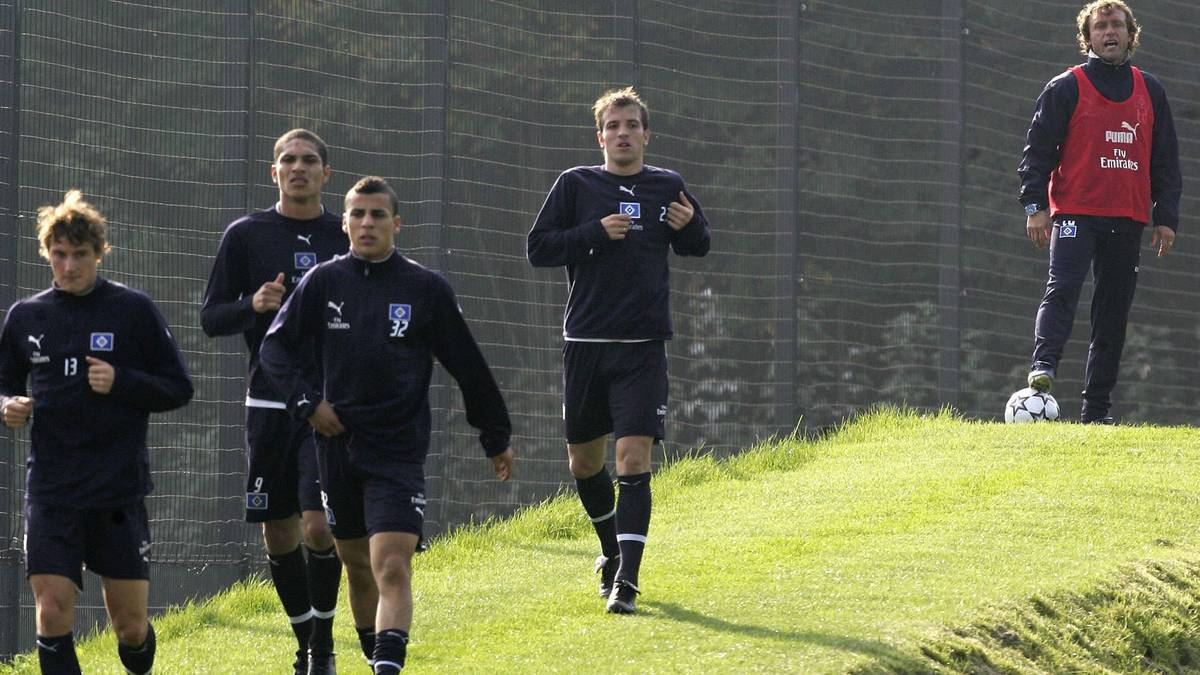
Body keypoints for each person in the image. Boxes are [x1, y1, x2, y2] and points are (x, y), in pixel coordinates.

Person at [260, 176, 514, 674]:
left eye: (377, 214)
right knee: (358, 567)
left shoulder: (425, 288)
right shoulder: (324, 282)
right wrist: (308, 404)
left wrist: (495, 435)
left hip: (397, 450)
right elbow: (275, 347)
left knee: (392, 564)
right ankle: (374, 654)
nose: (367, 223)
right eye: (357, 214)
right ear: (344, 223)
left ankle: (386, 667)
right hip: (336, 448)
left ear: (397, 223)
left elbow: (468, 366)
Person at [527, 87, 711, 613]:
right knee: (585, 464)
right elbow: (538, 248)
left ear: (646, 134)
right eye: (613, 125)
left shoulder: (667, 185)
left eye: (632, 125)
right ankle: (610, 552)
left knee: (632, 458)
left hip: (642, 348)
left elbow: (699, 244)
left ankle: (627, 582)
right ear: (600, 136)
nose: (623, 133)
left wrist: (690, 226)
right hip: (585, 345)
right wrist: (594, 233)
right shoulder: (576, 184)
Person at [0, 190, 193, 675]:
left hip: (117, 490)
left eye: (80, 255)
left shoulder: (132, 310)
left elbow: (178, 387)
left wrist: (121, 381)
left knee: (129, 626)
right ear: (47, 253)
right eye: (60, 254)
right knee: (51, 611)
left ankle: (140, 655)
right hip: (52, 489)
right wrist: (8, 404)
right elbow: (3, 384)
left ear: (99, 253)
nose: (69, 266)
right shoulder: (26, 316)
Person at [200, 128, 347, 675]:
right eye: (288, 160)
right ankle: (305, 640)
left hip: (327, 404)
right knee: (278, 530)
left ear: (326, 173)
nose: (298, 168)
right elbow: (211, 318)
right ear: (274, 172)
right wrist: (253, 304)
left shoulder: (346, 232)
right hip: (268, 402)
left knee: (319, 525)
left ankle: (324, 646)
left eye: (309, 160)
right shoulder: (246, 235)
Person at [1018, 0, 1180, 423]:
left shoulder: (1151, 90)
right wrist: (1035, 207)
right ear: (1087, 37)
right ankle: (1043, 368)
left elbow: (1166, 159)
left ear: (1131, 34)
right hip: (1075, 213)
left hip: (1127, 218)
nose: (1109, 32)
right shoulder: (1066, 86)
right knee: (1063, 288)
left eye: (1117, 25)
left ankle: (1097, 410)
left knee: (1113, 313)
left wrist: (1166, 217)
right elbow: (1037, 151)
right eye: (1101, 26)